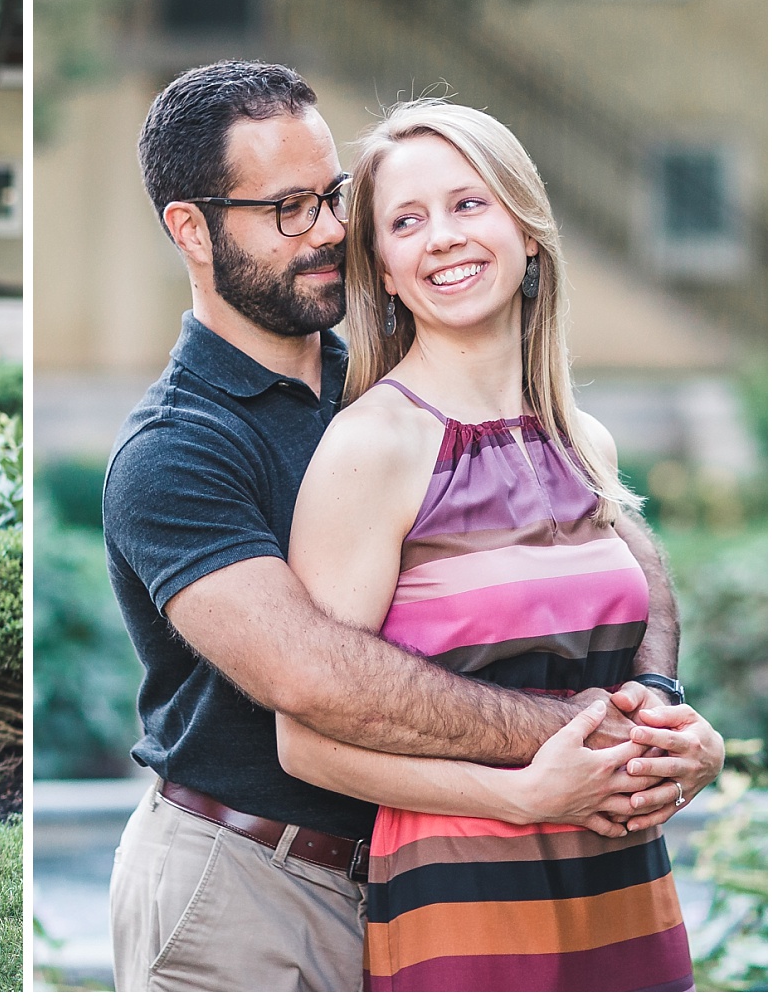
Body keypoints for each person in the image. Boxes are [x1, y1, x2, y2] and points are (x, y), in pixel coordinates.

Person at [101, 61, 723, 991]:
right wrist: (590, 740)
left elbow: (629, 556)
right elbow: (314, 680)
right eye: (287, 209)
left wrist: (661, 706)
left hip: (417, 873)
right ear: (190, 229)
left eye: (333, 196)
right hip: (248, 888)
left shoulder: (389, 387)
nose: (327, 232)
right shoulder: (176, 450)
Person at [279, 99, 705, 990]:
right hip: (468, 899)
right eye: (407, 221)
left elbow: (622, 657)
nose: (441, 237)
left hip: (623, 879)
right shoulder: (374, 446)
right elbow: (304, 743)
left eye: (469, 204)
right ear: (385, 272)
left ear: (529, 233)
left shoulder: (583, 440)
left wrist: (682, 743)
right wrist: (519, 795)